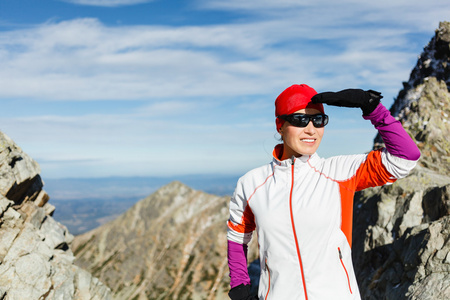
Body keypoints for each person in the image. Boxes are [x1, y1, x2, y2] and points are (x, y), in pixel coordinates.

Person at [226, 84, 420, 300]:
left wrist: (372, 107)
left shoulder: (340, 171)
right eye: (300, 120)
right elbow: (237, 237)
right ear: (280, 125)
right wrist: (240, 289)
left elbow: (406, 158)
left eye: (318, 120)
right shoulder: (251, 184)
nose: (311, 129)